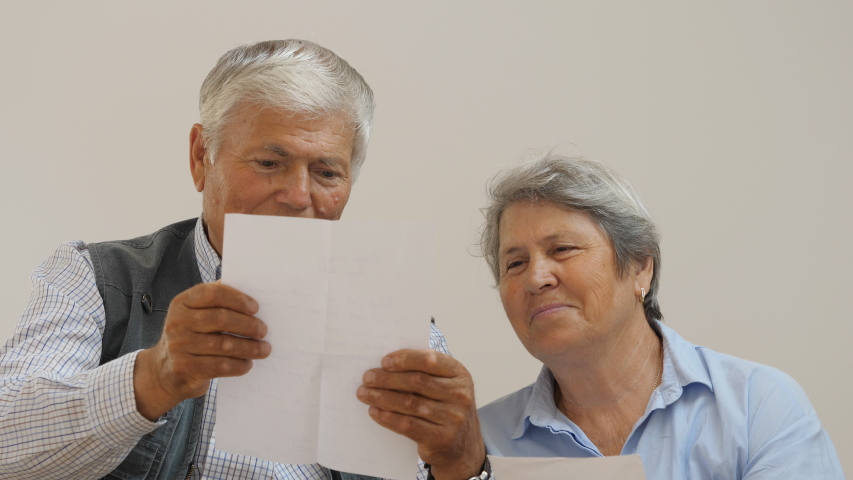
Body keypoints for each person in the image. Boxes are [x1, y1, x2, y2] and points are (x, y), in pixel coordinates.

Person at [0, 39, 449, 480]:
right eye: (270, 163)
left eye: (326, 172)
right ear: (201, 156)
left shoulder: (399, 324)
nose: (298, 197)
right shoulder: (95, 277)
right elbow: (7, 444)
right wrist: (155, 376)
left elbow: (440, 464)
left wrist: (463, 461)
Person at [358, 152, 844, 479]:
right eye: (514, 263)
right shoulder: (482, 443)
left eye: (562, 249)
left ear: (640, 267)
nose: (536, 278)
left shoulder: (757, 406)